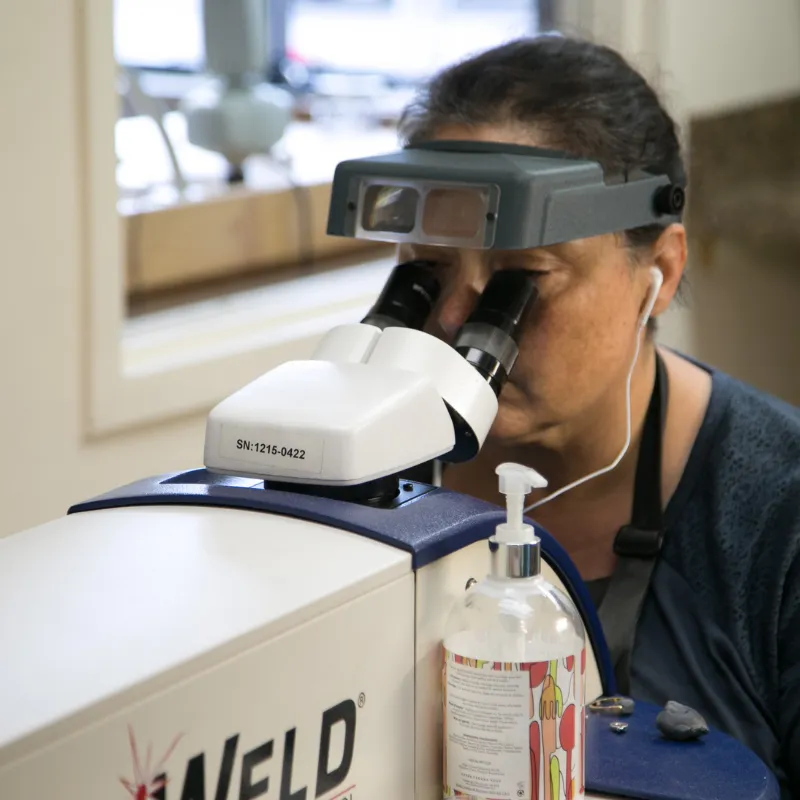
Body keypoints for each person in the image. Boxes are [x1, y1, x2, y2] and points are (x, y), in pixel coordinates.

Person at [395, 36, 800, 797]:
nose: (455, 318)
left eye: (521, 280)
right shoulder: (368, 478)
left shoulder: (781, 513)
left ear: (660, 271)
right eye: (427, 269)